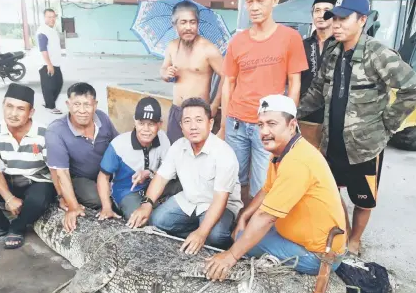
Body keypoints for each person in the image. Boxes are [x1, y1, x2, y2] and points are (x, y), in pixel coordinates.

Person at [297, 0, 416, 255]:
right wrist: (293, 112)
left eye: (344, 19)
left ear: (363, 20)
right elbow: (316, 91)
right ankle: (335, 233)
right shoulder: (333, 53)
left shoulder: (377, 54)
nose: (336, 24)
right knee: (329, 192)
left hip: (364, 146)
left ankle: (355, 241)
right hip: (331, 140)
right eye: (334, 18)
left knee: (363, 198)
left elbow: (414, 88)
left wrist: (387, 124)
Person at [204, 94, 347, 281]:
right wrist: (245, 215)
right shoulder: (284, 151)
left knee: (240, 240)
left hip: (318, 256)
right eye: (260, 125)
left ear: (291, 124)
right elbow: (267, 189)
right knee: (245, 230)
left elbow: (266, 217)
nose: (264, 131)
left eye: (272, 124)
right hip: (302, 241)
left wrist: (230, 256)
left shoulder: (297, 162)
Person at [217, 0, 308, 206]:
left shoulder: (290, 38)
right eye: (249, 1)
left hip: (268, 126)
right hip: (236, 123)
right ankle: (236, 223)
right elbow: (228, 83)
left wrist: (288, 123)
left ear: (274, 0)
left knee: (263, 186)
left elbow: (295, 84)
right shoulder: (237, 41)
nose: (254, 7)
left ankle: (256, 231)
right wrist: (223, 125)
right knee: (233, 181)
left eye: (260, 0)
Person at [127, 97, 243, 253]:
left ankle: (204, 231)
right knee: (156, 220)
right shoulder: (178, 146)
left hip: (217, 205)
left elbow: (220, 199)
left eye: (199, 120)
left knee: (216, 237)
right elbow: (161, 179)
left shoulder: (224, 154)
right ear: (181, 126)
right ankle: (194, 230)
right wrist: (146, 204)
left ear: (210, 123)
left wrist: (202, 233)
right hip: (188, 200)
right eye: (187, 121)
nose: (193, 127)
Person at [0, 84, 56, 249]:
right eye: (9, 106)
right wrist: (9, 198)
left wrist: (65, 198)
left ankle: (18, 227)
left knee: (40, 199)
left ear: (31, 113)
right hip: (9, 179)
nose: (13, 113)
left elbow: (55, 170)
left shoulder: (45, 133)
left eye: (20, 109)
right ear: (3, 105)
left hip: (37, 181)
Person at [45, 82, 119, 233]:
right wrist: (72, 207)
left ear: (95, 104)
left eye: (87, 104)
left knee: (122, 194)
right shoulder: (56, 131)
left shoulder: (103, 119)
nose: (82, 111)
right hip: (80, 177)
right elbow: (60, 173)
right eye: (76, 104)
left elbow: (118, 147)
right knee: (99, 199)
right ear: (68, 104)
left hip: (105, 173)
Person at [160, 0, 224, 144]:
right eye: (183, 22)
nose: (188, 27)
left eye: (192, 22)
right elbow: (163, 69)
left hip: (199, 112)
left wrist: (214, 105)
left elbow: (226, 76)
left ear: (197, 24)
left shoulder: (208, 49)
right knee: (175, 151)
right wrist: (166, 73)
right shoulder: (171, 47)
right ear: (174, 25)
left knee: (198, 155)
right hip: (177, 110)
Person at [97, 97, 171, 220]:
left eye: (151, 124)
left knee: (181, 184)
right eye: (141, 123)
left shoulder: (163, 138)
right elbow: (103, 176)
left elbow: (168, 171)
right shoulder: (119, 145)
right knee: (140, 220)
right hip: (128, 191)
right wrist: (106, 208)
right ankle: (119, 206)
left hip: (153, 185)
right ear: (135, 122)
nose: (146, 130)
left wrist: (149, 173)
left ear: (160, 124)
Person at [299, 0, 337, 147]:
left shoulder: (341, 45)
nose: (321, 15)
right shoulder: (302, 45)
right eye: (317, 10)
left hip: (332, 116)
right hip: (304, 114)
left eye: (326, 11)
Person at [37, 8, 63, 115]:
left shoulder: (52, 30)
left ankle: (47, 101)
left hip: (55, 63)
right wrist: (49, 64)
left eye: (53, 17)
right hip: (47, 64)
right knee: (49, 85)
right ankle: (50, 106)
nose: (52, 19)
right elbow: (43, 49)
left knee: (58, 83)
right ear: (45, 18)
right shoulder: (43, 31)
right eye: (49, 17)